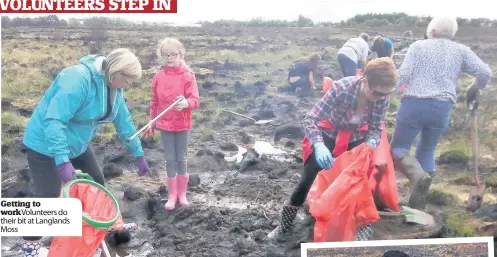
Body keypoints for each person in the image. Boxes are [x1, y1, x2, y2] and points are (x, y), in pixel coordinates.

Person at [20, 48, 152, 257]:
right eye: (128, 81)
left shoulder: (114, 89)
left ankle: (102, 225)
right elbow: (54, 121)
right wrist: (62, 162)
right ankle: (29, 246)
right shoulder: (77, 79)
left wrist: (138, 154)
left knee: (97, 182)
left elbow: (123, 121)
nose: (129, 86)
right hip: (44, 144)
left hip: (77, 144)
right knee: (48, 199)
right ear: (116, 73)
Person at [268, 57, 399, 240]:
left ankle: (355, 227)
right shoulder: (342, 89)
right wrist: (319, 145)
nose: (382, 98)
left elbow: (376, 128)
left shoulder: (382, 97)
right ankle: (283, 226)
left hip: (355, 140)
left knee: (355, 185)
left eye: (386, 94)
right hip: (327, 135)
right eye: (378, 93)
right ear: (366, 82)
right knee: (307, 180)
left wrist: (372, 141)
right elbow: (311, 119)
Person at [390, 16, 492, 210]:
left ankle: (418, 178)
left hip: (414, 104)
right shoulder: (461, 51)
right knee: (427, 150)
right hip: (442, 107)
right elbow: (485, 72)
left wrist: (385, 93)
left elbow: (403, 74)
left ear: (432, 32)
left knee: (399, 148)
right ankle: (419, 198)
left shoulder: (418, 47)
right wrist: (475, 87)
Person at [143, 38, 200, 211]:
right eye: (166, 54)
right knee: (170, 159)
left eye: (173, 54)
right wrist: (151, 122)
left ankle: (182, 194)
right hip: (165, 125)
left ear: (181, 54)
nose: (170, 57)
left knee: (181, 159)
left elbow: (195, 100)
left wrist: (186, 104)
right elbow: (154, 101)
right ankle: (171, 195)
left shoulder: (187, 76)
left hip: (182, 124)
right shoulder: (158, 77)